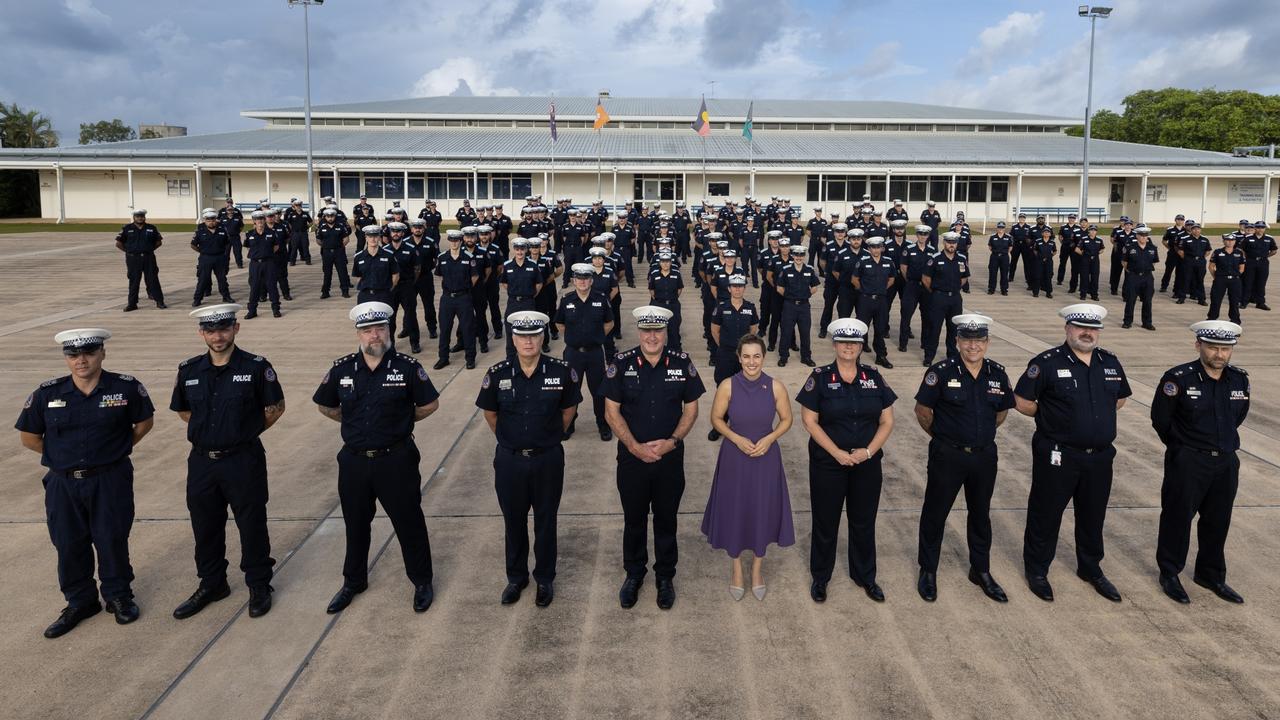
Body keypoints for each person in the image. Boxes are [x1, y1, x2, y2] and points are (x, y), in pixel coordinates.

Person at [16, 329, 154, 638]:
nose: (82, 360)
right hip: (63, 483)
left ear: (102, 353)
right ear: (66, 358)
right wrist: (62, 459)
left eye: (90, 353)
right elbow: (29, 437)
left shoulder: (125, 388)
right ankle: (80, 601)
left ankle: (118, 596)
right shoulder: (47, 394)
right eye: (73, 354)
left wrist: (115, 452)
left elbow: (144, 423)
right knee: (67, 542)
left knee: (111, 538)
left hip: (109, 479)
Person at [313, 302, 440, 614]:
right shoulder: (342, 369)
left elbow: (429, 405)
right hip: (354, 461)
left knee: (408, 521)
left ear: (389, 330)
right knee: (356, 523)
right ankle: (353, 581)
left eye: (380, 328)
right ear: (358, 333)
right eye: (367, 330)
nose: (374, 335)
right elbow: (325, 406)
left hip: (395, 459)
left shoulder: (408, 368)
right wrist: (353, 424)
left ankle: (421, 580)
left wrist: (399, 424)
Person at [170, 304, 284, 620]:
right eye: (210, 330)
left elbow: (275, 407)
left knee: (251, 523)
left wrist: (242, 433)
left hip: (242, 460)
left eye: (223, 329)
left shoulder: (257, 367)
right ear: (201, 333)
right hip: (202, 463)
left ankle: (259, 584)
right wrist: (211, 433)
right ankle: (212, 584)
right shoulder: (189, 370)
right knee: (205, 525)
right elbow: (183, 411)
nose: (217, 336)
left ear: (236, 328)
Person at [1013, 304, 1131, 603]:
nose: (1087, 333)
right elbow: (1021, 400)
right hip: (1059, 454)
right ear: (1068, 329)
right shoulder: (1047, 363)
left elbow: (1119, 399)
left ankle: (1090, 568)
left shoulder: (1110, 363)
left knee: (1093, 515)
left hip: (1100, 456)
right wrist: (1051, 418)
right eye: (1080, 327)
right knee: (1046, 513)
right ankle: (1038, 571)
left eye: (1093, 329)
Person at [603, 306, 705, 610]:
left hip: (669, 460)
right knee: (633, 520)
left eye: (657, 330)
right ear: (639, 332)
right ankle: (634, 575)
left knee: (666, 520)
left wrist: (671, 443)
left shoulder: (682, 363)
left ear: (666, 332)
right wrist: (634, 446)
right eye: (646, 330)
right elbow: (611, 411)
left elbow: (692, 410)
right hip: (632, 460)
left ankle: (665, 578)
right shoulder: (620, 364)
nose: (652, 336)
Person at [476, 312, 580, 607]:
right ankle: (516, 577)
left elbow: (568, 411)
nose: (528, 341)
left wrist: (546, 438)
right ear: (513, 338)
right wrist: (513, 442)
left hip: (547, 459)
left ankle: (544, 578)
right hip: (510, 461)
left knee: (546, 520)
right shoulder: (497, 374)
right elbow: (491, 414)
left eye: (534, 335)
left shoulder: (561, 372)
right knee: (514, 520)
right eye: (522, 336)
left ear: (543, 337)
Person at [913, 314, 1014, 603]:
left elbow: (1002, 411)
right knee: (935, 513)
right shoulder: (941, 372)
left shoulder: (997, 373)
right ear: (957, 341)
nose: (973, 346)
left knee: (980, 514)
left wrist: (978, 435)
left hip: (984, 456)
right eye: (967, 340)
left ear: (987, 342)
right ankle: (928, 570)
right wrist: (944, 437)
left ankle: (980, 570)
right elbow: (923, 411)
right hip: (948, 454)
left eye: (979, 340)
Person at [796, 318, 895, 603]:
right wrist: (837, 453)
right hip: (828, 463)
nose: (848, 347)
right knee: (825, 521)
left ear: (861, 346)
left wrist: (868, 452)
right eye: (843, 342)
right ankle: (821, 577)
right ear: (835, 345)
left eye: (853, 343)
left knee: (864, 521)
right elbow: (809, 421)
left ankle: (865, 576)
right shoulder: (821, 377)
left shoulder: (873, 377)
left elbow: (887, 421)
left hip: (866, 463)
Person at [1151, 321, 1250, 604]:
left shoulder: (1239, 380)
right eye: (1213, 348)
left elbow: (1238, 416)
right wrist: (1183, 448)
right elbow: (1162, 420)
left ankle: (1210, 575)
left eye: (1225, 349)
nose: (1219, 354)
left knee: (1218, 520)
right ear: (1199, 346)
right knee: (1178, 517)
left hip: (1226, 463)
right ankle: (1170, 573)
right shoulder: (1179, 378)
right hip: (1189, 460)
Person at [701, 334, 794, 601]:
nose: (751, 362)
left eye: (756, 356)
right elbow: (716, 419)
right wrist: (736, 438)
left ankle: (756, 570)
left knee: (762, 509)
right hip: (735, 456)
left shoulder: (775, 387)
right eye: (746, 356)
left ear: (763, 358)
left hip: (765, 457)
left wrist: (769, 438)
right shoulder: (728, 386)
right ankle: (736, 570)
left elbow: (787, 420)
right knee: (736, 509)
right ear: (739, 358)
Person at [557, 263, 615, 441]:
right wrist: (574, 338)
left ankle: (602, 423)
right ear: (574, 281)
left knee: (598, 390)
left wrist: (596, 337)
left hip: (595, 353)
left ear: (591, 281)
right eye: (579, 279)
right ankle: (570, 422)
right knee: (570, 389)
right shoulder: (566, 300)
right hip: (573, 353)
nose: (582, 282)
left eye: (586, 279)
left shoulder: (601, 299)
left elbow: (609, 323)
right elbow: (559, 324)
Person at [708, 275, 760, 439]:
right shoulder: (721, 307)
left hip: (744, 357)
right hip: (725, 355)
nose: (737, 289)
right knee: (722, 389)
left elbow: (753, 329)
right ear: (729, 288)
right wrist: (724, 346)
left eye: (740, 286)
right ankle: (720, 425)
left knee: (746, 389)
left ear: (744, 288)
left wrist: (743, 350)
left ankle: (742, 425)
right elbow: (715, 330)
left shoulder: (750, 307)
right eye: (734, 286)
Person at [921, 231, 969, 366]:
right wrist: (936, 291)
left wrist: (954, 288)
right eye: (949, 242)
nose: (951, 245)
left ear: (957, 244)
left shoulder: (961, 258)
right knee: (934, 328)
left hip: (955, 299)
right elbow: (925, 278)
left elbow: (964, 277)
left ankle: (952, 356)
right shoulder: (935, 258)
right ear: (944, 243)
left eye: (954, 242)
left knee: (953, 329)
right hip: (938, 298)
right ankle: (929, 356)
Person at [434, 229, 479, 370]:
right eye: (451, 240)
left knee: (467, 329)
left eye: (456, 240)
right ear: (449, 241)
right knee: (445, 329)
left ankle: (470, 359)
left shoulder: (468, 257)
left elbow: (475, 277)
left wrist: (463, 288)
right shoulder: (442, 258)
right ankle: (443, 358)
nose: (454, 243)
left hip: (463, 298)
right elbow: (439, 275)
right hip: (447, 298)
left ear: (461, 241)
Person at [853, 236, 896, 369]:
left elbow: (891, 279)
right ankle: (856, 357)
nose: (876, 249)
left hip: (881, 300)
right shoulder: (863, 262)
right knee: (861, 329)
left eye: (878, 247)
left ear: (882, 248)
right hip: (865, 300)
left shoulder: (889, 262)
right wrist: (866, 290)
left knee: (880, 329)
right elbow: (854, 279)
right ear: (869, 248)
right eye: (873, 247)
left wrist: (881, 289)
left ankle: (881, 356)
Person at [774, 245, 819, 367]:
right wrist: (790, 296)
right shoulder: (786, 269)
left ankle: (806, 357)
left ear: (804, 256)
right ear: (792, 256)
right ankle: (783, 357)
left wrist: (807, 294)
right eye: (796, 255)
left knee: (805, 333)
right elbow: (779, 287)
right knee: (786, 332)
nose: (799, 257)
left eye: (801, 255)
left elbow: (815, 286)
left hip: (804, 306)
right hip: (789, 306)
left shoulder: (809, 270)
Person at [115, 209, 166, 311]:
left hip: (148, 258)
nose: (140, 218)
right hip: (133, 259)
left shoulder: (151, 228)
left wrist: (148, 250)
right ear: (134, 217)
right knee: (134, 281)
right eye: (138, 216)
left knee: (153, 280)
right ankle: (132, 304)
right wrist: (129, 251)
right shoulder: (127, 228)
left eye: (142, 216)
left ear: (144, 217)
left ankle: (159, 301)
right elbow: (118, 243)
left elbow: (158, 242)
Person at [191, 209, 234, 307]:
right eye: (208, 220)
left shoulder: (222, 230)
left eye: (213, 220)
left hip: (219, 258)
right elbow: (193, 245)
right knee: (203, 279)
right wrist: (202, 251)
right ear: (205, 221)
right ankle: (197, 299)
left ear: (216, 220)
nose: (211, 222)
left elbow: (227, 242)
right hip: (205, 258)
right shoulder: (200, 232)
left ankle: (226, 296)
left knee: (222, 279)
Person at [243, 211, 281, 319]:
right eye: (257, 219)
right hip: (255, 264)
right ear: (254, 221)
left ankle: (276, 309)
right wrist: (257, 254)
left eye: (261, 219)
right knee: (254, 287)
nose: (260, 221)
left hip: (269, 263)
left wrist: (266, 254)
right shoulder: (249, 234)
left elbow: (276, 246)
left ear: (264, 220)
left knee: (272, 286)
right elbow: (247, 246)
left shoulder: (272, 233)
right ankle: (252, 311)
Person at [1120, 225, 1159, 330]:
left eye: (1146, 235)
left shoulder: (1152, 248)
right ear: (1137, 236)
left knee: (1147, 301)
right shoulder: (1130, 247)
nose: (1143, 237)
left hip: (1147, 277)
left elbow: (1154, 262)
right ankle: (1127, 321)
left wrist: (1145, 270)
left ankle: (1147, 323)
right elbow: (1124, 262)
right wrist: (1131, 271)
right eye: (1141, 235)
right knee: (1131, 300)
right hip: (1133, 276)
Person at [1207, 234, 1246, 324]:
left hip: (1235, 280)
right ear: (1224, 241)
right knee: (1215, 300)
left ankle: (1235, 321)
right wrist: (1217, 277)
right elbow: (1211, 266)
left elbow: (1242, 267)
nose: (1229, 242)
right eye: (1227, 240)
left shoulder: (1239, 253)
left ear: (1235, 241)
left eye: (1232, 240)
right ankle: (1211, 319)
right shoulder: (1217, 252)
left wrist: (1236, 276)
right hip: (1220, 279)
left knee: (1234, 301)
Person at [316, 207, 352, 299]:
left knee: (342, 272)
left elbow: (346, 239)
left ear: (335, 216)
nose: (330, 218)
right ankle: (325, 292)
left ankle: (345, 291)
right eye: (328, 216)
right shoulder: (322, 227)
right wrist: (326, 246)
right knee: (327, 273)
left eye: (332, 216)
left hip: (339, 252)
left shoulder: (340, 226)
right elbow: (318, 240)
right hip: (327, 252)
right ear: (325, 217)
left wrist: (339, 247)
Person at [1241, 221, 1275, 310]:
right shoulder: (1248, 238)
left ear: (1264, 229)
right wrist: (1246, 258)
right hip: (1250, 262)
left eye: (1262, 227)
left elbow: (1274, 250)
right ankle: (1244, 302)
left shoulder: (1269, 239)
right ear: (1255, 228)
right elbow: (1241, 249)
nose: (1260, 229)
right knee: (1248, 282)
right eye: (1258, 227)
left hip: (1263, 263)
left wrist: (1264, 257)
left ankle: (1260, 303)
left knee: (1261, 283)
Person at [1175, 222, 1210, 306]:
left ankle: (1201, 299)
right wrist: (1188, 259)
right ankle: (1181, 298)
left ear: (1200, 230)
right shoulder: (1185, 239)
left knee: (1200, 280)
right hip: (1188, 262)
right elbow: (1180, 251)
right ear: (1191, 230)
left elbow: (1208, 251)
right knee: (1185, 280)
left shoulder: (1205, 239)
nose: (1196, 230)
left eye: (1198, 229)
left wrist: (1200, 258)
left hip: (1200, 262)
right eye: (1194, 229)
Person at [283, 198, 313, 265]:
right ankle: (292, 261)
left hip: (303, 233)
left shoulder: (305, 214)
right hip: (295, 233)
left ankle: (308, 261)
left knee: (305, 247)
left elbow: (311, 222)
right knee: (294, 248)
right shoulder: (291, 214)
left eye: (299, 205)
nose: (298, 207)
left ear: (301, 206)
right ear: (294, 206)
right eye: (296, 205)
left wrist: (307, 227)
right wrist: (292, 229)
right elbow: (288, 223)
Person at [217, 197, 245, 269]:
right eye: (229, 210)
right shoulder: (223, 217)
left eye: (231, 203)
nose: (230, 211)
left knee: (238, 251)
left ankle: (239, 264)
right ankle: (225, 265)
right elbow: (218, 225)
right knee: (226, 252)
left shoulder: (237, 217)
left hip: (235, 237)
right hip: (226, 238)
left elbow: (241, 226)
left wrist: (237, 231)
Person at [987, 222, 1013, 295]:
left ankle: (1004, 290)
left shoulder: (1008, 237)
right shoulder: (992, 237)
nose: (1000, 229)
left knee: (1004, 274)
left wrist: (1004, 253)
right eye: (999, 227)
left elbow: (1010, 247)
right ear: (997, 228)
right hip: (994, 257)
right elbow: (990, 247)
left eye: (1002, 227)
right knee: (992, 273)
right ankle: (991, 289)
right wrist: (996, 252)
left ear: (1004, 228)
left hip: (1004, 257)